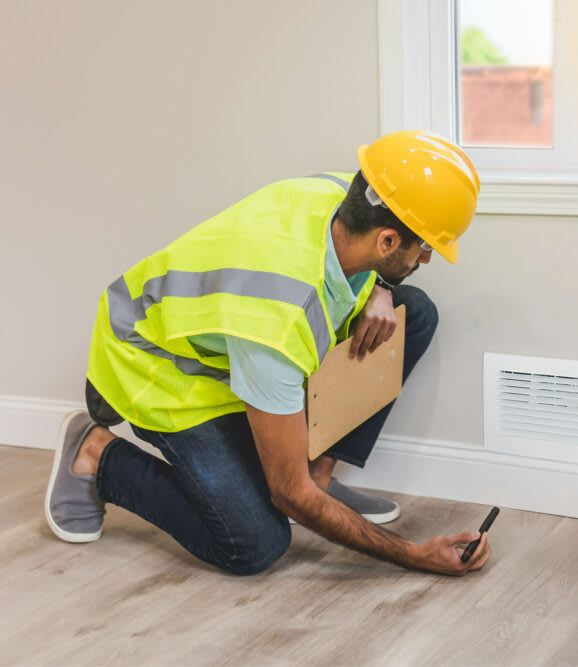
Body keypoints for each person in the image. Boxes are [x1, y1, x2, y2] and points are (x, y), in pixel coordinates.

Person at [43, 130, 491, 576]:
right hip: (158, 366)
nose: (427, 259)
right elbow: (287, 493)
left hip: (233, 344)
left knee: (411, 312)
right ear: (388, 242)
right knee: (255, 542)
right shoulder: (278, 319)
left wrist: (382, 285)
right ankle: (96, 454)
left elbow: (381, 258)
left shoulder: (345, 194)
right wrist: (416, 555)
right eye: (426, 247)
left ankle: (319, 476)